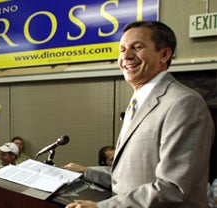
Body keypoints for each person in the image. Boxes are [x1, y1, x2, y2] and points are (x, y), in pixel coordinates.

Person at [66, 21, 215, 208]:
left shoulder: (183, 103)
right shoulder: (138, 101)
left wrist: (102, 207)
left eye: (137, 47)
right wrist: (86, 172)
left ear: (164, 54)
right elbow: (133, 175)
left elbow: (173, 187)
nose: (126, 56)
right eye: (122, 49)